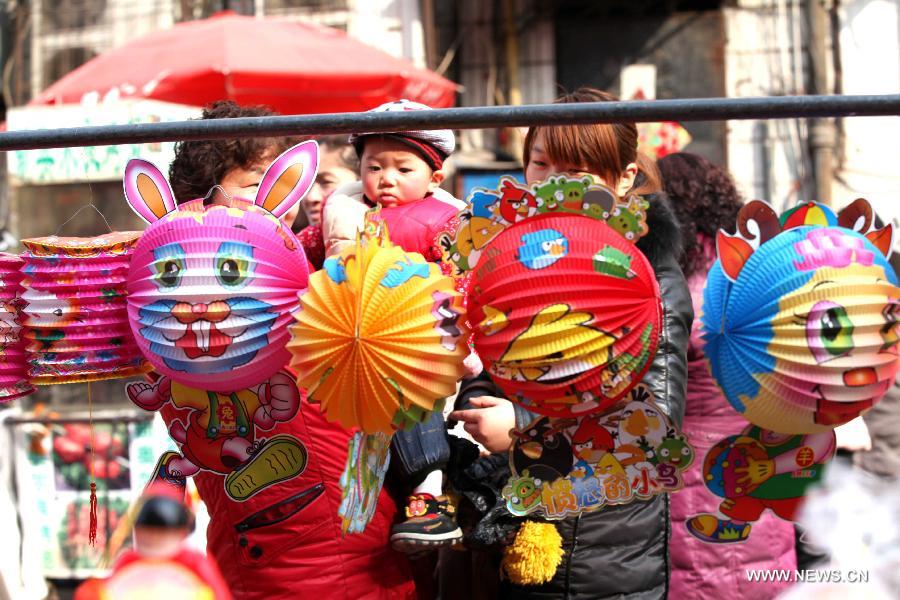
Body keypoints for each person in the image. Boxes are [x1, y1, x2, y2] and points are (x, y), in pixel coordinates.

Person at [161, 101, 416, 599]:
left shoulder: (170, 286)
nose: (284, 196)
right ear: (202, 199)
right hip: (308, 547)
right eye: (259, 182)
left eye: (287, 180)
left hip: (311, 543)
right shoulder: (217, 298)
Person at [449, 88, 693, 598]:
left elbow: (657, 419)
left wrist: (522, 427)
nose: (555, 185)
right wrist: (475, 402)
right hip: (520, 520)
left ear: (623, 179)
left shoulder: (647, 274)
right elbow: (497, 369)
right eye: (541, 165)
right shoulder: (516, 260)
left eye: (578, 173)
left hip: (601, 545)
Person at [321, 99, 467, 553]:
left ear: (434, 178)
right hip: (355, 343)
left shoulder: (445, 221)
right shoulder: (341, 214)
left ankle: (430, 498)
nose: (386, 179)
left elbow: (463, 279)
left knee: (415, 410)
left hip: (422, 342)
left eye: (404, 168)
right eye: (375, 166)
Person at [658, 148, 798, 599]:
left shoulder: (668, 280)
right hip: (764, 462)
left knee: (705, 576)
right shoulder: (757, 273)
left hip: (693, 468)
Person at [293, 135, 360, 270]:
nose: (310, 198)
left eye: (327, 182)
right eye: (305, 185)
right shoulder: (296, 247)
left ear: (362, 182)